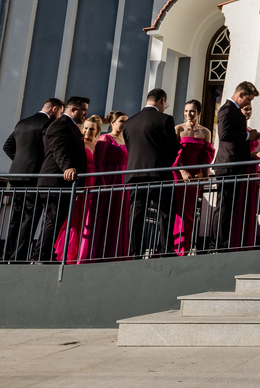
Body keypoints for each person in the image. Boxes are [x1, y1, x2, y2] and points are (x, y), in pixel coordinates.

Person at [3, 98, 62, 261]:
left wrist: (20, 163)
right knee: (29, 218)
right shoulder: (48, 124)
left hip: (16, 176)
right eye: (60, 112)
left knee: (16, 217)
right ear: (54, 109)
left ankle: (8, 253)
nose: (59, 116)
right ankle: (19, 256)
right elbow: (48, 151)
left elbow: (7, 146)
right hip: (34, 177)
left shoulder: (22, 123)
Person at [124, 88, 179, 257]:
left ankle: (136, 252)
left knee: (137, 214)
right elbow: (173, 148)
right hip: (159, 174)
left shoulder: (129, 122)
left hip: (135, 175)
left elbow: (130, 148)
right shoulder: (165, 120)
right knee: (165, 213)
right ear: (162, 100)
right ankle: (165, 250)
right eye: (165, 103)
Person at [35, 96, 89, 262]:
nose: (85, 114)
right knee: (53, 219)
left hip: (64, 183)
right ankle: (41, 255)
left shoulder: (70, 126)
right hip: (56, 182)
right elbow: (59, 149)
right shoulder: (60, 124)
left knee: (56, 220)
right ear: (73, 109)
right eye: (83, 110)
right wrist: (67, 167)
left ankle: (46, 253)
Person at [214, 82, 260, 249]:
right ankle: (219, 244)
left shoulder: (235, 111)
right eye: (248, 99)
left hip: (235, 165)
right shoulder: (227, 109)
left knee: (230, 207)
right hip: (228, 165)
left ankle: (225, 242)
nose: (249, 104)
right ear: (240, 94)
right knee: (224, 207)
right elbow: (224, 134)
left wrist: (250, 134)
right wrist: (248, 135)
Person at [54, 115, 106, 263]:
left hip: (95, 183)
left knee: (90, 218)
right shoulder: (79, 143)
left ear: (97, 131)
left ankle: (87, 251)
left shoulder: (98, 144)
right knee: (75, 218)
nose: (88, 131)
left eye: (92, 129)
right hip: (82, 183)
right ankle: (70, 253)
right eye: (86, 128)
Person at [171, 100, 214, 255]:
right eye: (186, 111)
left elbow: (206, 157)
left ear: (199, 113)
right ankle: (178, 248)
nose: (188, 114)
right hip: (178, 172)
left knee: (189, 210)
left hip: (196, 175)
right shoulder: (178, 129)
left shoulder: (205, 132)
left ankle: (186, 247)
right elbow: (173, 154)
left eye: (192, 111)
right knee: (179, 210)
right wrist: (182, 170)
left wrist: (206, 176)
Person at [94, 111, 130, 260]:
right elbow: (98, 162)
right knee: (107, 214)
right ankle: (103, 252)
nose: (124, 124)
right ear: (113, 123)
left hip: (123, 183)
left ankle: (118, 252)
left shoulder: (128, 140)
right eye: (121, 121)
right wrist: (101, 183)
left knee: (121, 216)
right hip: (109, 181)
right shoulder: (106, 138)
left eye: (126, 121)